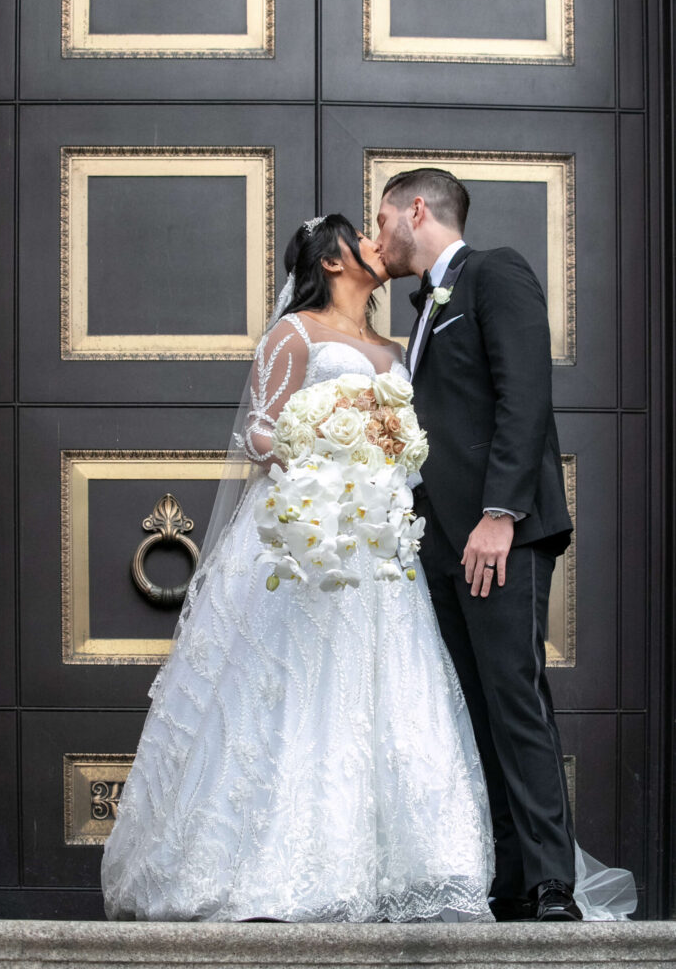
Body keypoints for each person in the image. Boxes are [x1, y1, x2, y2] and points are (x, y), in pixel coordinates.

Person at [101, 214, 496, 923]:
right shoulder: (297, 333)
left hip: (375, 546)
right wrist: (317, 462)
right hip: (303, 534)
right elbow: (257, 426)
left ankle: (403, 869)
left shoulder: (393, 345)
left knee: (375, 689)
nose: (380, 248)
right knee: (287, 688)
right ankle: (262, 866)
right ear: (335, 260)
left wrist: (385, 462)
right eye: (365, 239)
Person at [374, 167, 607, 922]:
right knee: (475, 709)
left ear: (417, 209)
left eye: (382, 222)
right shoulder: (420, 312)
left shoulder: (493, 272)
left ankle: (550, 883)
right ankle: (508, 878)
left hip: (496, 534)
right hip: (441, 544)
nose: (378, 241)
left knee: (513, 699)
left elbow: (525, 392)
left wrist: (500, 514)